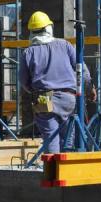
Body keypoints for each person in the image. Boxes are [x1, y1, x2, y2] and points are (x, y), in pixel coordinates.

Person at [18, 11, 94, 153]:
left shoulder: (28, 53)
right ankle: (67, 169)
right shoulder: (65, 45)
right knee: (68, 138)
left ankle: (53, 171)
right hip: (69, 98)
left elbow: (23, 80)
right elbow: (81, 70)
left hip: (43, 99)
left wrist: (33, 90)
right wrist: (89, 88)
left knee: (51, 137)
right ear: (49, 28)